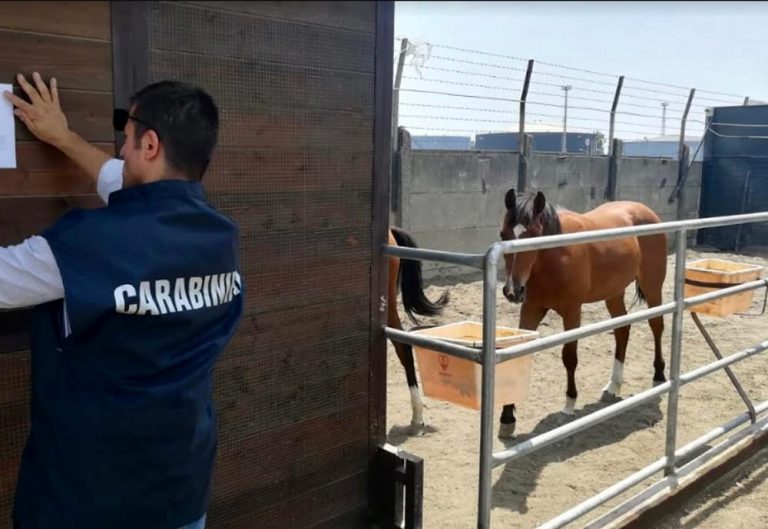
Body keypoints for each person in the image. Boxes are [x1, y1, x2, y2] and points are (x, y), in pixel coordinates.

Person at [2, 73, 243, 529]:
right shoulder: (221, 237)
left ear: (149, 144)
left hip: (89, 502)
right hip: (180, 493)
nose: (119, 148)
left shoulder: (88, 245)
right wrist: (63, 137)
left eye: (125, 135)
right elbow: (132, 188)